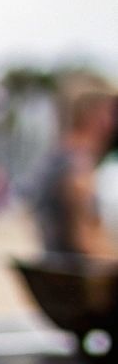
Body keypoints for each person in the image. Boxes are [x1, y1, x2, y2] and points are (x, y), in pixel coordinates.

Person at [32, 74, 117, 261]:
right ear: (96, 115)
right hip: (80, 282)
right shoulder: (78, 165)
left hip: (56, 272)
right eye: (112, 111)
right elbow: (85, 241)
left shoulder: (54, 157)